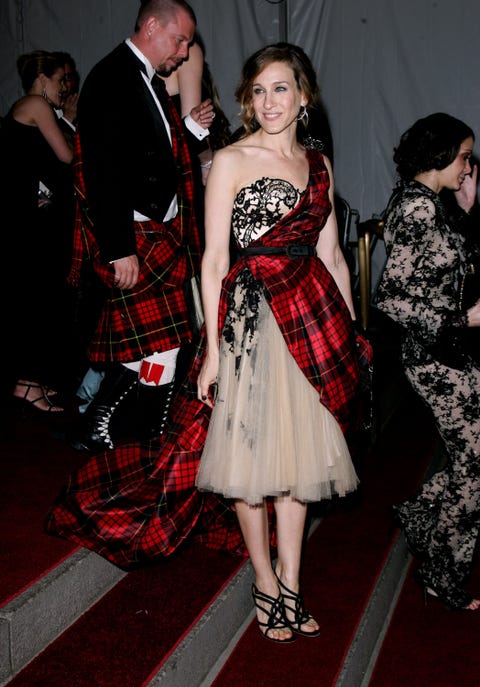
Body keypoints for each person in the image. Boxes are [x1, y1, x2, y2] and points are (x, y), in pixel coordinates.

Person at [46, 42, 364, 645]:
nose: (269, 102)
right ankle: (265, 581)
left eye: (281, 89)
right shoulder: (231, 161)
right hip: (249, 322)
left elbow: (332, 256)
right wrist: (215, 351)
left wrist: (348, 335)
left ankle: (293, 582)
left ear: (303, 97)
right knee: (250, 463)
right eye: (259, 90)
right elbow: (215, 261)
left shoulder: (320, 166)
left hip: (312, 319)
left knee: (299, 464)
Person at [68, 0, 215, 452]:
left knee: (161, 347)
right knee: (160, 346)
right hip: (138, 236)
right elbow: (102, 171)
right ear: (152, 26)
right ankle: (116, 423)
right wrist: (118, 247)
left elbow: (147, 157)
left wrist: (187, 132)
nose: (186, 52)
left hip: (159, 233)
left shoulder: (143, 78)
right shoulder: (112, 78)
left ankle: (132, 425)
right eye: (180, 40)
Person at [375, 112, 480, 611]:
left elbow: (457, 269)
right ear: (438, 155)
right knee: (475, 466)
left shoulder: (432, 205)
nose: (468, 165)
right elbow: (390, 298)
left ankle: (420, 512)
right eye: (463, 156)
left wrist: (467, 207)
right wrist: (460, 321)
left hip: (449, 353)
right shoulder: (416, 210)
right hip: (434, 358)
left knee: (473, 459)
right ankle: (442, 571)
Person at [1, 50, 74, 417]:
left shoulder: (32, 109)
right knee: (33, 300)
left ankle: (33, 379)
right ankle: (25, 384)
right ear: (42, 78)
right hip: (25, 227)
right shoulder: (34, 103)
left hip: (27, 223)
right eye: (62, 78)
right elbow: (66, 157)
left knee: (37, 299)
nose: (65, 86)